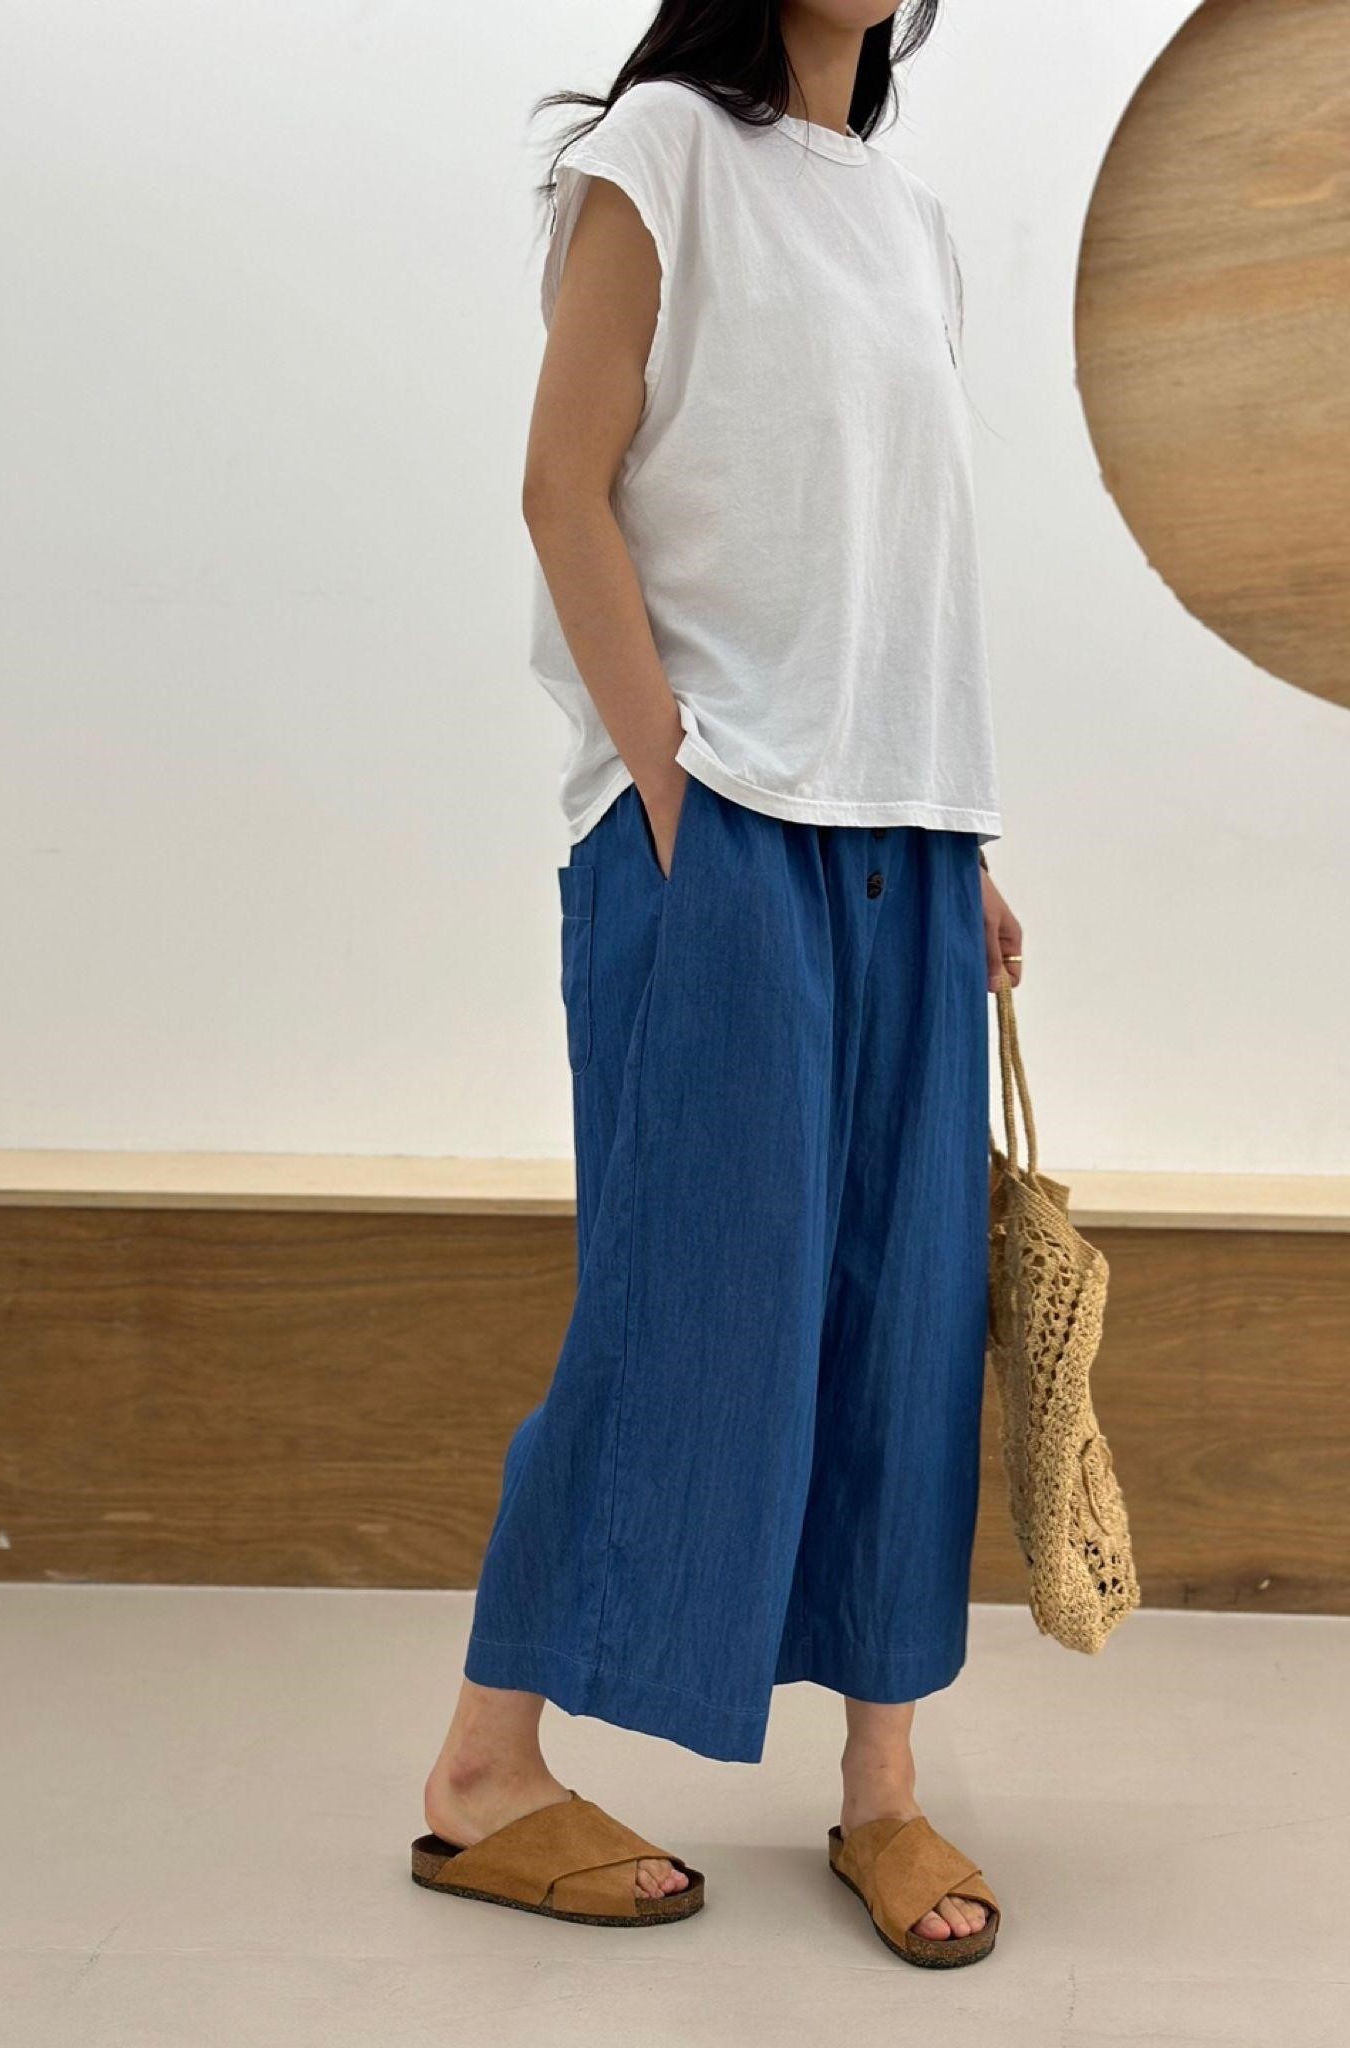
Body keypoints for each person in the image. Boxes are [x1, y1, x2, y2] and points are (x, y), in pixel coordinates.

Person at [412, 0, 1023, 1965]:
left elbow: (885, 557)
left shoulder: (910, 219)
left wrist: (955, 835)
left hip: (905, 833)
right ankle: (483, 1773)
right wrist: (673, 778)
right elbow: (560, 484)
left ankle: (884, 1792)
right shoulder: (661, 149)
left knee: (906, 1318)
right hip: (725, 820)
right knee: (686, 1303)